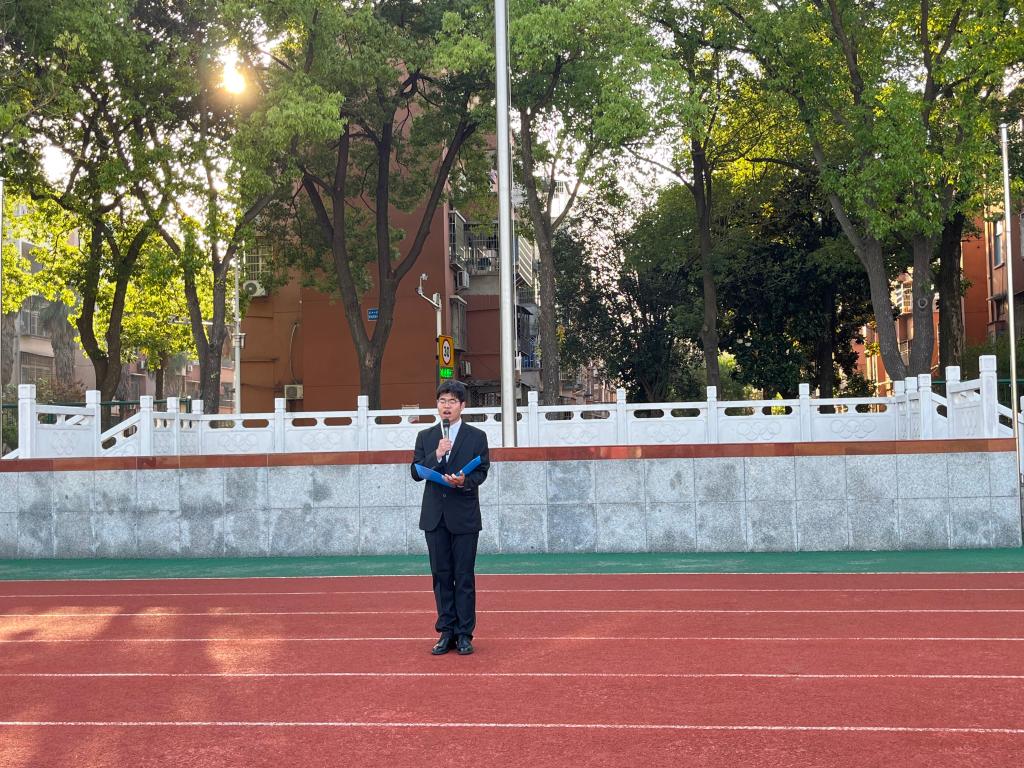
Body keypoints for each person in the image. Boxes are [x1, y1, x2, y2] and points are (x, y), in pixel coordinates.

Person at [411, 380, 490, 656]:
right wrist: (437, 454)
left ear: (462, 406)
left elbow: (482, 471)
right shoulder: (426, 437)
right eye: (442, 401)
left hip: (464, 516)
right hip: (435, 517)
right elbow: (415, 472)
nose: (447, 406)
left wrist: (464, 481)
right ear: (437, 405)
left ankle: (464, 633)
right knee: (441, 575)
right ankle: (446, 632)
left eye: (452, 401)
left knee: (463, 576)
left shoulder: (476, 436)